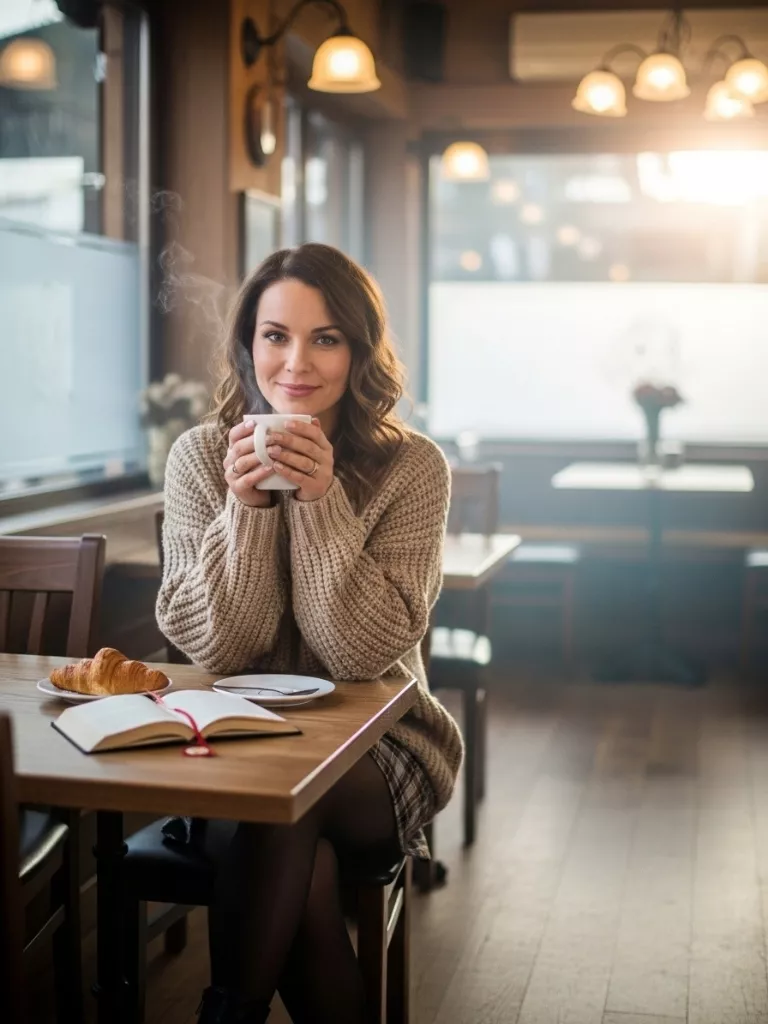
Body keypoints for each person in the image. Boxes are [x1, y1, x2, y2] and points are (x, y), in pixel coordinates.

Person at [156, 243, 463, 1024]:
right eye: (275, 335)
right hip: (234, 740)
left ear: (359, 350)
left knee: (287, 799)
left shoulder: (412, 468)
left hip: (381, 747)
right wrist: (249, 508)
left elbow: (360, 656)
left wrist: (321, 500)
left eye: (326, 338)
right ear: (248, 343)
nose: (296, 363)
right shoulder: (199, 457)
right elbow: (218, 648)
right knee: (304, 870)